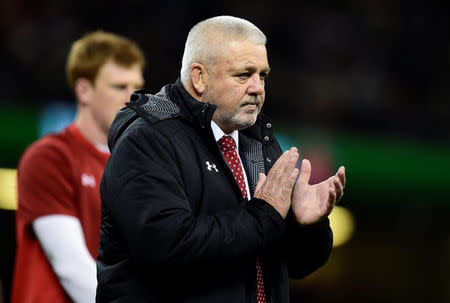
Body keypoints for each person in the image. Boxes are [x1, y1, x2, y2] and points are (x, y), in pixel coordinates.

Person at [97, 16, 346, 303]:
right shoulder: (148, 141)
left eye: (262, 75)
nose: (258, 88)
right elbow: (166, 248)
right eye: (243, 75)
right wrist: (265, 215)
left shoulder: (256, 142)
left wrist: (305, 227)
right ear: (199, 77)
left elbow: (294, 265)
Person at [11, 31, 145, 303]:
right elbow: (70, 267)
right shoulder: (49, 157)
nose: (133, 99)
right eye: (119, 87)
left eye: (137, 87)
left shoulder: (138, 166)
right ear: (84, 90)